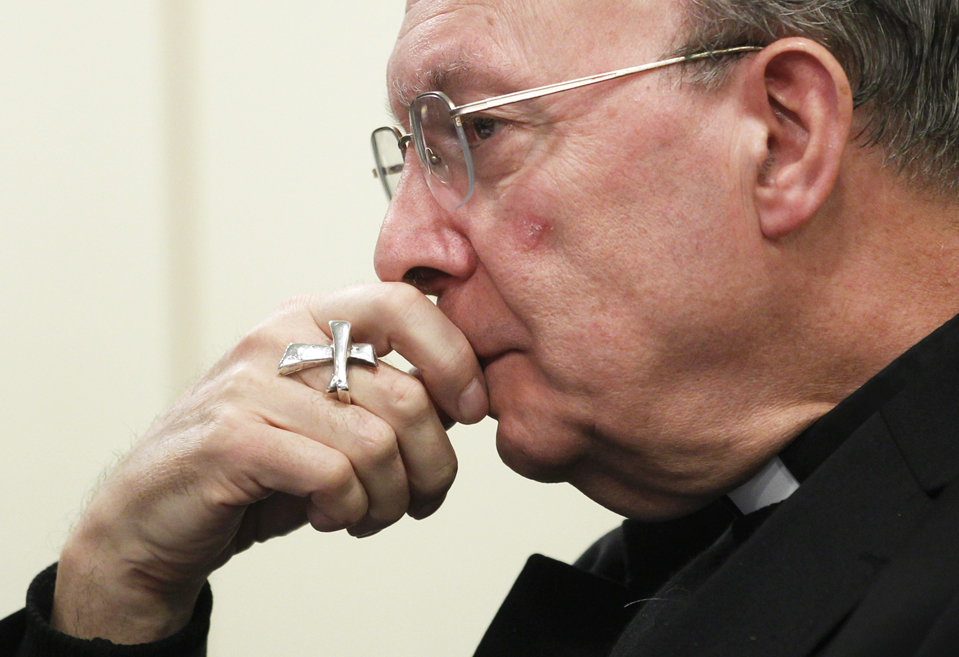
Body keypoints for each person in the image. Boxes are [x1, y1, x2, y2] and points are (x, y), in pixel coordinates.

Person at [4, 0, 959, 654]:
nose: (397, 250)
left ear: (780, 138)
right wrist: (115, 592)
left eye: (475, 130)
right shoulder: (686, 549)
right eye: (411, 153)